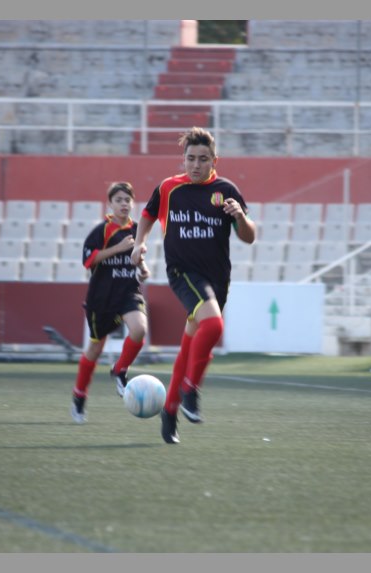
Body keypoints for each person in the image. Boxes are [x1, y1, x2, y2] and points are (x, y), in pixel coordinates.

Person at [131, 127, 256, 444]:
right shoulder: (169, 188)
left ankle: (169, 413)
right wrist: (139, 243)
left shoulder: (226, 190)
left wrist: (240, 216)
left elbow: (249, 236)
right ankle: (191, 390)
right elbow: (146, 216)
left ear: (215, 159)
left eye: (203, 159)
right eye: (190, 158)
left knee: (189, 349)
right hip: (182, 272)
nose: (196, 165)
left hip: (217, 279)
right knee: (213, 326)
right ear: (183, 159)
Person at [70, 182, 150, 424]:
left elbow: (136, 255)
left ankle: (120, 369)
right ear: (110, 204)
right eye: (119, 200)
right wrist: (118, 248)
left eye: (128, 199)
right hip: (102, 298)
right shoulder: (102, 231)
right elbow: (89, 260)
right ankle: (79, 396)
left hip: (128, 291)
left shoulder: (138, 229)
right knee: (95, 349)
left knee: (139, 329)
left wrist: (143, 268)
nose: (124, 204)